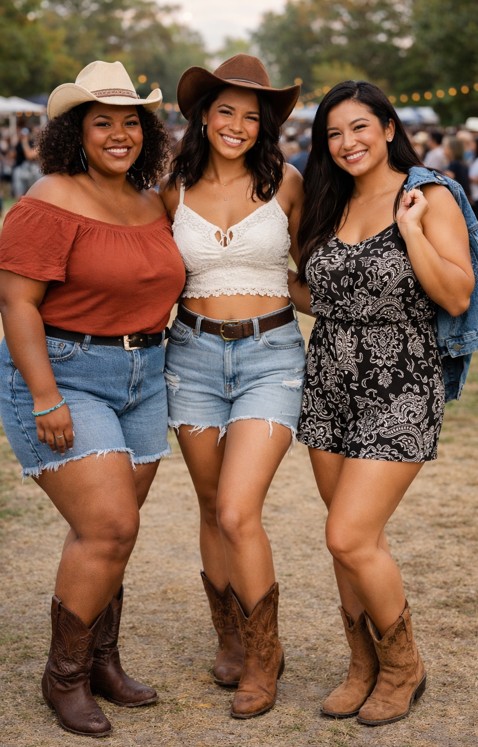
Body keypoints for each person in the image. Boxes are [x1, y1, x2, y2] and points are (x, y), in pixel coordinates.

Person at [0, 61, 186, 737]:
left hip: (143, 375)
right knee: (109, 526)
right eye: (101, 122)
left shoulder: (149, 197)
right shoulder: (48, 198)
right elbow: (17, 303)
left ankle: (103, 660)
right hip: (64, 373)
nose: (118, 134)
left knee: (112, 534)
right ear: (75, 132)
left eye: (129, 122)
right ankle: (65, 676)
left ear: (147, 130)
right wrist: (46, 396)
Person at [289, 80, 474, 726]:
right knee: (347, 541)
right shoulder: (326, 198)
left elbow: (455, 296)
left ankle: (403, 666)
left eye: (360, 127)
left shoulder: (428, 195)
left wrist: (411, 231)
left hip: (401, 382)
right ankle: (361, 663)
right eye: (334, 134)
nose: (347, 143)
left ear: (389, 128)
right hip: (330, 380)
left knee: (350, 531)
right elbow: (322, 292)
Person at [160, 54, 305, 719]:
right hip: (189, 356)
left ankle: (263, 651)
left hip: (271, 356)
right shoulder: (172, 187)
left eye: (253, 115)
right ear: (203, 115)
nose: (238, 125)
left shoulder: (289, 184)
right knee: (210, 500)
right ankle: (228, 635)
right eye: (226, 111)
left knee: (238, 507)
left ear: (266, 125)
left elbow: (307, 275)